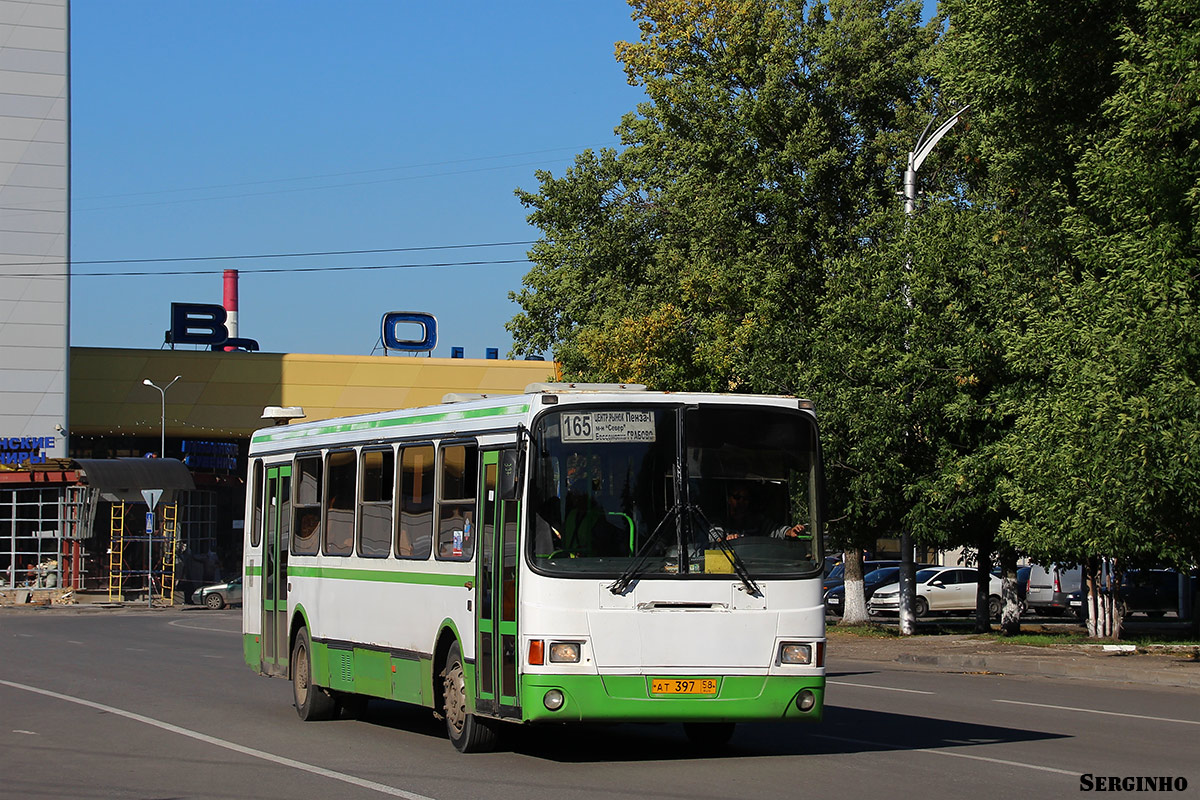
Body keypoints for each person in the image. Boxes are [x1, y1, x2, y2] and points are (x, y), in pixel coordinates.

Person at [713, 483, 806, 541]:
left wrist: (789, 532)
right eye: (737, 497)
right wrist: (726, 541)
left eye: (745, 498)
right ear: (728, 499)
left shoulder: (757, 521)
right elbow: (715, 537)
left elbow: (775, 531)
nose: (741, 501)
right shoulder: (720, 521)